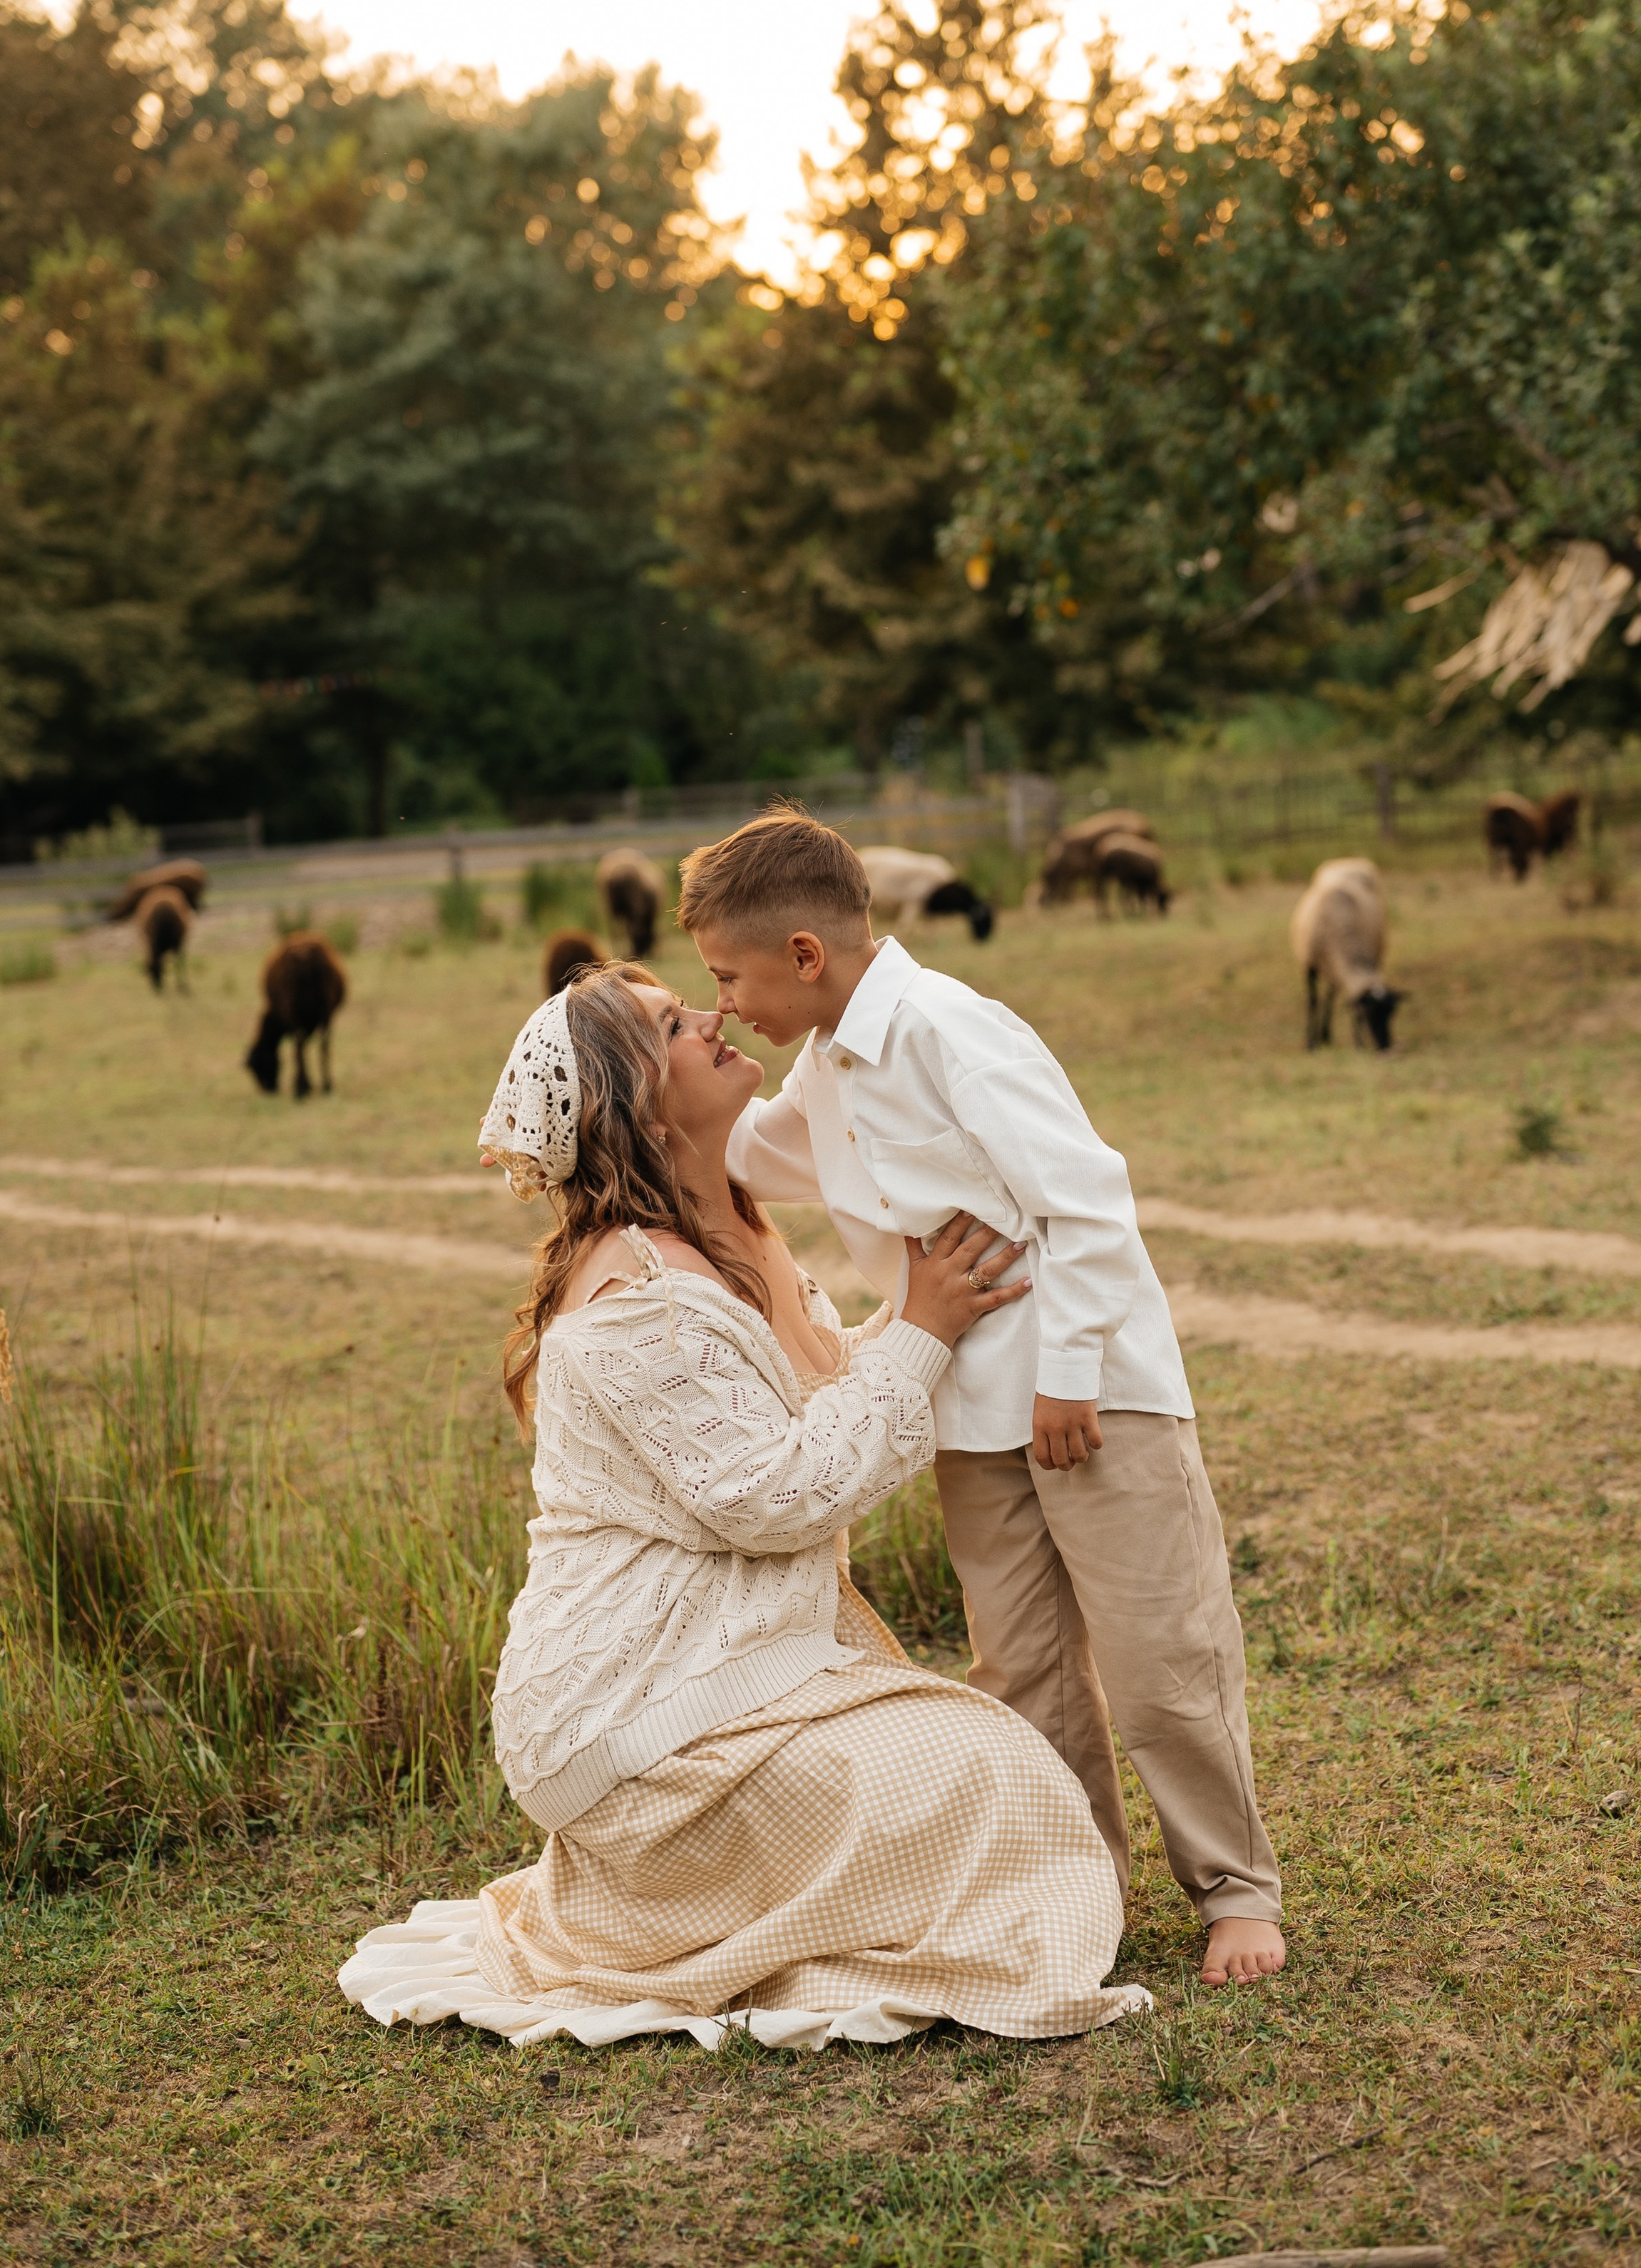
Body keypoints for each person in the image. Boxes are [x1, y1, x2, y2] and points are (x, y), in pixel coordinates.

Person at [338, 963, 1150, 2053]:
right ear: (636, 1101)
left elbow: (799, 1400)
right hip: (638, 1714)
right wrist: (923, 1330)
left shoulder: (730, 1237)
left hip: (725, 1682)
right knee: (991, 1772)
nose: (712, 1016)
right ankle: (679, 1915)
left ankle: (714, 1912)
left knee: (990, 1766)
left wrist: (924, 1315)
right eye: (675, 1023)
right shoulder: (634, 1295)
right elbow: (781, 1494)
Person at [678, 811, 1285, 1989]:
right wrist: (659, 1075)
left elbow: (1088, 1202)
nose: (725, 1003)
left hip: (1088, 1394)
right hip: (968, 1408)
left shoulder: (953, 1030)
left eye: (728, 979)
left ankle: (1235, 1889)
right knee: (1023, 1669)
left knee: (1163, 1655)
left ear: (805, 956)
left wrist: (1070, 1377)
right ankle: (1077, 1884)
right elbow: (753, 1158)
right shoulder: (825, 1067)